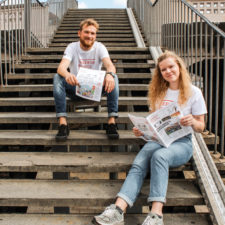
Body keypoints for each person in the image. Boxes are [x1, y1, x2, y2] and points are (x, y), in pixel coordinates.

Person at [92, 51, 207, 225]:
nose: (168, 71)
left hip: (181, 143)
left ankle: (156, 215)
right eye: (163, 69)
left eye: (171, 67)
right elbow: (156, 125)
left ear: (179, 67)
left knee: (159, 156)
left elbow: (201, 126)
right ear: (160, 73)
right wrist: (143, 132)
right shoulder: (160, 93)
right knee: (139, 162)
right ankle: (118, 210)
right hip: (159, 140)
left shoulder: (194, 92)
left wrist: (192, 121)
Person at [53, 18, 119, 141]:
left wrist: (109, 74)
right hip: (76, 88)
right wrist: (67, 75)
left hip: (95, 90)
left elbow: (110, 65)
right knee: (58, 77)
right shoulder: (72, 47)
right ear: (79, 33)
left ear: (96, 35)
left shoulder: (100, 47)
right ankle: (63, 124)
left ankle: (111, 123)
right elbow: (61, 67)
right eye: (86, 32)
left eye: (92, 33)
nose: (89, 36)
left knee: (113, 77)